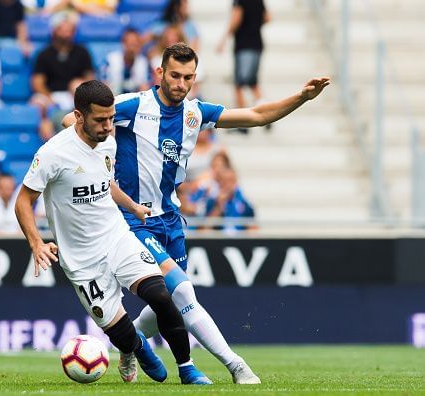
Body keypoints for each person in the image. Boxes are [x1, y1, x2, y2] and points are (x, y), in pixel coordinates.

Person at [62, 43, 330, 384]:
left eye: (188, 77)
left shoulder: (195, 113)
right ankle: (235, 367)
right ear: (160, 73)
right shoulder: (133, 105)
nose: (181, 83)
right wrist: (92, 148)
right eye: (174, 75)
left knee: (168, 303)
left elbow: (258, 116)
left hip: (171, 222)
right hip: (134, 221)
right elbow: (74, 119)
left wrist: (302, 98)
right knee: (183, 292)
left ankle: (130, 346)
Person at [16, 80, 212, 385]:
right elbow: (23, 201)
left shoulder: (109, 141)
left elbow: (106, 184)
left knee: (161, 294)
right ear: (78, 117)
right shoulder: (53, 153)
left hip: (116, 236)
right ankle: (137, 347)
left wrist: (132, 206)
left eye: (110, 118)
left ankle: (187, 368)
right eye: (100, 120)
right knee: (120, 332)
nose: (108, 126)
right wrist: (36, 242)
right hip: (80, 258)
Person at [31, 11, 94, 140]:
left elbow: (89, 78)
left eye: (70, 29)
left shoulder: (82, 52)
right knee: (37, 101)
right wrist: (49, 98)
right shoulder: (44, 54)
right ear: (54, 30)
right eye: (62, 28)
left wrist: (78, 90)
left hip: (75, 95)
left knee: (78, 85)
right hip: (51, 95)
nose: (66, 32)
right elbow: (37, 82)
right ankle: (46, 128)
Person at [216, 0, 270, 133]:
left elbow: (236, 19)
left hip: (244, 45)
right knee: (252, 82)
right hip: (257, 44)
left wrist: (223, 40)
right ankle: (268, 115)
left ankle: (242, 124)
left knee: (238, 84)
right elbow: (267, 17)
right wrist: (254, 24)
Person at [205, 152, 255, 232]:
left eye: (232, 181)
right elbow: (205, 228)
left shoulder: (244, 203)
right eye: (225, 181)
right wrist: (219, 207)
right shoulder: (212, 202)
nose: (229, 185)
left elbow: (253, 228)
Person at [102, 28, 149, 96]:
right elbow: (104, 86)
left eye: (135, 44)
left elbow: (145, 90)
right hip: (112, 99)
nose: (132, 48)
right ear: (123, 43)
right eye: (130, 44)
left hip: (135, 101)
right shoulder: (110, 59)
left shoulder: (143, 62)